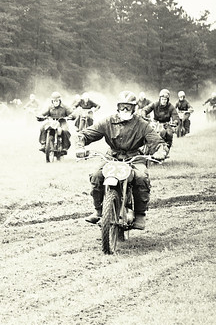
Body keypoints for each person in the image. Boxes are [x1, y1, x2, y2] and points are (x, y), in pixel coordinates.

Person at [75, 91, 168, 230]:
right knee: (96, 176)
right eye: (122, 107)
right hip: (112, 156)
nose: (125, 110)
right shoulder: (108, 121)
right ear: (117, 107)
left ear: (134, 108)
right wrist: (80, 145)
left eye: (128, 107)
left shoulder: (142, 124)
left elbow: (157, 141)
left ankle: (140, 213)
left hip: (134, 157)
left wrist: (160, 151)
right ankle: (99, 210)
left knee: (142, 177)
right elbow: (87, 133)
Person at [142, 89, 179, 154]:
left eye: (165, 99)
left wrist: (175, 121)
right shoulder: (155, 104)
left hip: (166, 124)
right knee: (146, 132)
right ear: (160, 98)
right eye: (162, 99)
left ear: (168, 100)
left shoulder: (171, 107)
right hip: (155, 123)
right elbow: (146, 109)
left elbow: (175, 115)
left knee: (169, 134)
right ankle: (144, 148)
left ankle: (166, 149)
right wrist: (144, 114)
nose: (164, 101)